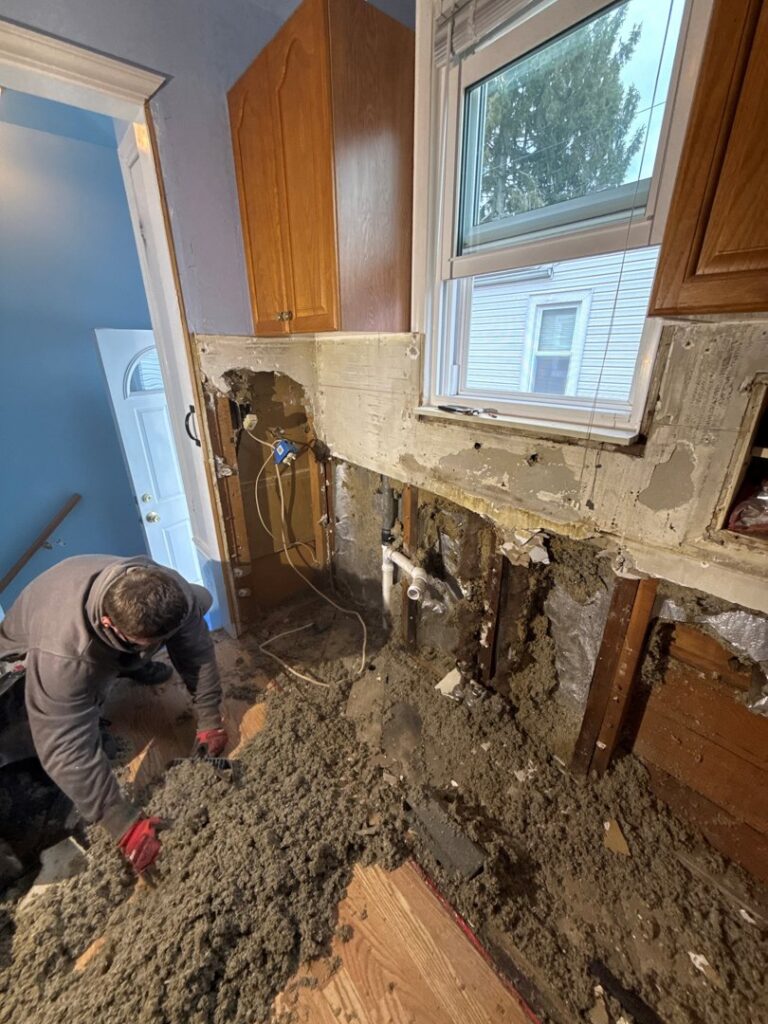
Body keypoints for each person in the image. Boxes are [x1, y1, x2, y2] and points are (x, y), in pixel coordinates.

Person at [0, 555, 227, 879]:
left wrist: (209, 719)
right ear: (109, 624)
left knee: (193, 616)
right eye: (150, 645)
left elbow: (196, 653)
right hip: (22, 657)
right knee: (82, 730)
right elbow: (64, 747)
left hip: (104, 624)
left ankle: (136, 663)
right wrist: (124, 824)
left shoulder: (173, 587)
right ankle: (127, 663)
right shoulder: (65, 657)